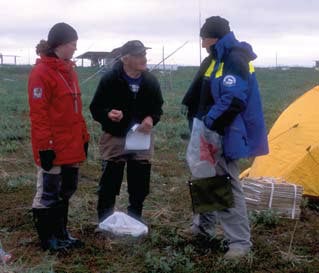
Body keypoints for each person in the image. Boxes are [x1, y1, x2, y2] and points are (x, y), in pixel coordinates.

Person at [182, 16, 269, 260]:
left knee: (225, 183)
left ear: (214, 37)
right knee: (205, 178)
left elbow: (234, 98)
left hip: (221, 131)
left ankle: (240, 243)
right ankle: (203, 228)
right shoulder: (215, 58)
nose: (201, 43)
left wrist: (210, 122)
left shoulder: (234, 58)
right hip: (204, 129)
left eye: (204, 37)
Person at [28, 22, 90, 252]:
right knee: (48, 192)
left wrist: (84, 137)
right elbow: (39, 115)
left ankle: (62, 233)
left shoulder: (69, 71)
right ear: (61, 44)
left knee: (67, 190)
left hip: (72, 145)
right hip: (53, 146)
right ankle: (48, 239)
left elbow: (76, 110)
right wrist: (44, 147)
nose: (75, 48)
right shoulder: (41, 73)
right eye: (73, 44)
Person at [90, 40, 164, 223]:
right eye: (138, 55)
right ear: (125, 59)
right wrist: (108, 114)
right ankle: (105, 221)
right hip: (115, 137)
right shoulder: (110, 79)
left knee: (140, 181)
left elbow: (157, 108)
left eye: (144, 55)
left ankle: (135, 219)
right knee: (110, 181)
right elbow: (96, 108)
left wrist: (151, 119)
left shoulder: (150, 81)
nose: (143, 59)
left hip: (142, 138)